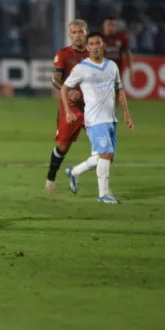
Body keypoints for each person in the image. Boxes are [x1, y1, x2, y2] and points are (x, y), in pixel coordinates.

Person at [61, 32, 134, 203]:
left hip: (110, 118)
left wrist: (126, 113)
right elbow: (64, 88)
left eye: (97, 43)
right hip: (94, 119)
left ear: (103, 46)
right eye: (91, 44)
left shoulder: (112, 66)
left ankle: (74, 172)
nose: (94, 47)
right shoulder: (81, 68)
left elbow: (120, 89)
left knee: (105, 157)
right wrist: (68, 111)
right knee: (106, 154)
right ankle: (103, 195)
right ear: (87, 48)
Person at [44, 19, 89, 193]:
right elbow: (55, 79)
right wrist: (68, 92)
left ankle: (104, 191)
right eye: (74, 32)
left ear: (86, 33)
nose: (78, 36)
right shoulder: (63, 54)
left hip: (91, 107)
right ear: (69, 35)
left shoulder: (94, 54)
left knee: (103, 147)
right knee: (63, 146)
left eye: (81, 32)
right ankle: (50, 178)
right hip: (70, 107)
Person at [103, 15, 134, 85]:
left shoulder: (121, 37)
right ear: (104, 25)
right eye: (108, 25)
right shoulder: (99, 38)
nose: (111, 27)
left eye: (113, 25)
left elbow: (127, 53)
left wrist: (131, 70)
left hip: (116, 71)